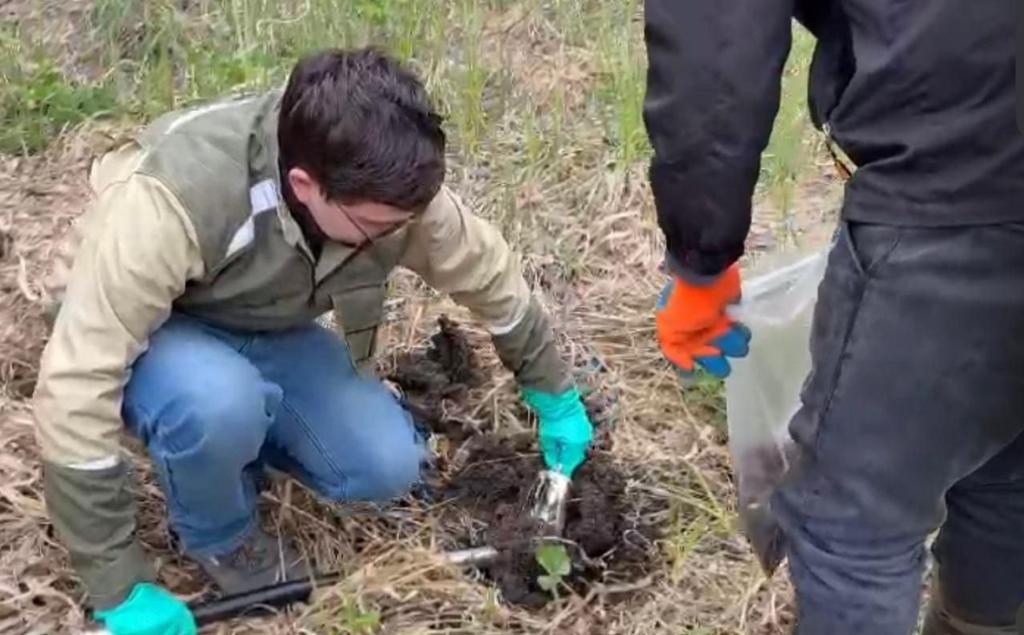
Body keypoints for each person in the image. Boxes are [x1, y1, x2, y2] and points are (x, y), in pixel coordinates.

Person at [33, 47, 594, 634]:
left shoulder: (391, 189)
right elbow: (76, 385)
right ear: (305, 186)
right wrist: (117, 586)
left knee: (387, 465)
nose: (402, 235)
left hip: (254, 320)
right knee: (215, 404)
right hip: (151, 325)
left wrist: (554, 395)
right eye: (380, 228)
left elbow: (492, 279)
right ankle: (221, 535)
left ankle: (235, 439)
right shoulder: (171, 202)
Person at [642, 2, 1024, 634]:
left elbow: (717, 38)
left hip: (954, 180)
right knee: (1005, 462)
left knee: (850, 527)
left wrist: (700, 263)